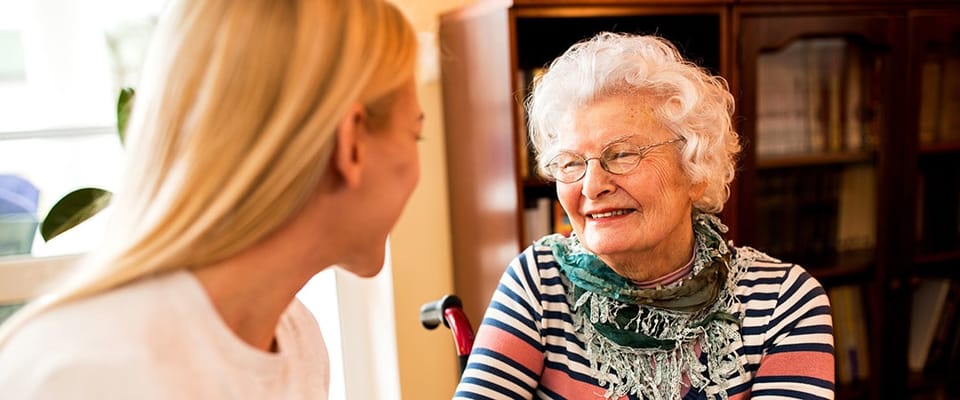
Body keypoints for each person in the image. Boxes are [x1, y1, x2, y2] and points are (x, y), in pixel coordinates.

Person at [0, 0, 422, 398]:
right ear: (352, 144)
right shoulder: (84, 375)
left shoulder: (297, 341)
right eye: (415, 133)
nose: (418, 168)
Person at [454, 33, 834, 400]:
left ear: (695, 170)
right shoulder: (540, 282)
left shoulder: (784, 303)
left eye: (621, 155)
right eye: (570, 163)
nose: (591, 186)